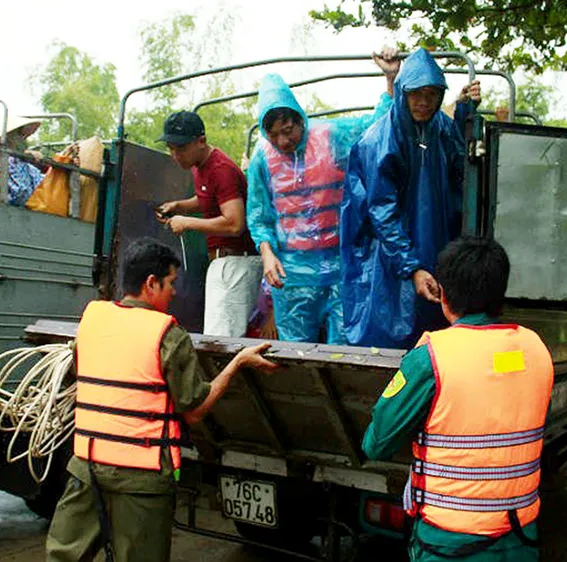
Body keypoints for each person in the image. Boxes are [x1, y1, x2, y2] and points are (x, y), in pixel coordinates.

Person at [45, 238, 277, 562]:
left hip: (87, 470)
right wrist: (236, 363)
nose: (175, 292)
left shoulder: (92, 320)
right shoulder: (167, 333)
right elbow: (195, 410)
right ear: (150, 284)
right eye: (171, 283)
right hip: (141, 480)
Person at [362, 236, 553, 561]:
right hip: (521, 539)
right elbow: (498, 381)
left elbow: (376, 443)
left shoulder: (432, 357)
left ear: (443, 295)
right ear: (500, 294)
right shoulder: (536, 350)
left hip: (448, 544)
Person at [245, 49, 398, 344]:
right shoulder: (261, 160)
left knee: (343, 352)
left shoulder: (331, 136)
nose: (283, 141)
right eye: (274, 135)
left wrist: (390, 78)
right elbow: (258, 214)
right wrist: (267, 253)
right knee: (296, 353)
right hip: (293, 277)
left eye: (288, 130)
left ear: (299, 118)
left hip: (342, 269)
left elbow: (377, 126)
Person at [341, 47, 482, 349]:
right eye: (416, 93)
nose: (423, 102)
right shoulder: (379, 140)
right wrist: (411, 267)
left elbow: (462, 172)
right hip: (389, 258)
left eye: (431, 94)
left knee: (436, 342)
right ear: (403, 92)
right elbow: (382, 212)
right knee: (390, 341)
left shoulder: (440, 128)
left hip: (435, 249)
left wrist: (465, 113)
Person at [155, 111, 261, 337]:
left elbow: (235, 223)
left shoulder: (221, 169)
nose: (175, 155)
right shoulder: (200, 166)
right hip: (223, 263)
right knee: (217, 336)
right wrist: (179, 206)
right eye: (171, 148)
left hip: (236, 263)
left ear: (201, 141)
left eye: (181, 148)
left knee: (222, 340)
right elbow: (207, 198)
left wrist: (187, 223)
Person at [0, 116, 45, 207]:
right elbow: (21, 193)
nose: (24, 140)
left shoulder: (22, 163)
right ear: (8, 136)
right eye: (20, 135)